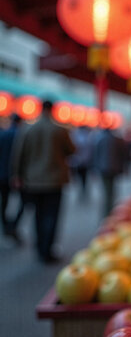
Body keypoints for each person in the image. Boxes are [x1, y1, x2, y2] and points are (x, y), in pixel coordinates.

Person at [12, 100, 75, 262]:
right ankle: (47, 249)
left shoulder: (28, 128)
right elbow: (72, 150)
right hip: (54, 180)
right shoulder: (60, 130)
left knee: (38, 214)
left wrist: (17, 175)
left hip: (33, 180)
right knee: (51, 215)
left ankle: (39, 246)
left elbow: (19, 154)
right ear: (53, 110)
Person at [0, 114, 24, 243]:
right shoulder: (21, 135)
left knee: (4, 202)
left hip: (2, 174)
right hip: (18, 176)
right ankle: (13, 225)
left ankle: (5, 226)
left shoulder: (3, 134)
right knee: (23, 203)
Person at [93, 127, 127, 218]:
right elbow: (123, 154)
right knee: (112, 190)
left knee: (106, 191)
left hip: (103, 169)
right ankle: (111, 210)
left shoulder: (99, 139)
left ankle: (107, 212)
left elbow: (95, 154)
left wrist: (95, 168)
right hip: (115, 168)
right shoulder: (117, 140)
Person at [69, 126, 93, 196]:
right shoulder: (87, 137)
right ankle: (82, 191)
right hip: (82, 161)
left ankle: (82, 191)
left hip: (80, 161)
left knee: (81, 178)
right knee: (82, 178)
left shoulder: (75, 136)